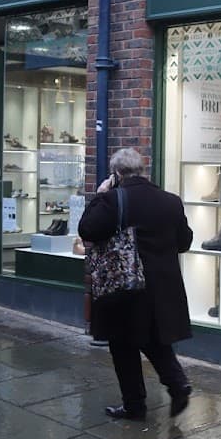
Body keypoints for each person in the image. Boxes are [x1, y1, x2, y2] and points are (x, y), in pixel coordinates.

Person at [78, 147, 194, 420]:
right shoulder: (170, 201)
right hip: (162, 287)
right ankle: (178, 384)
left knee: (123, 345)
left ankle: (135, 404)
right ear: (143, 170)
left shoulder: (113, 200)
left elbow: (87, 229)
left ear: (117, 174)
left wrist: (100, 196)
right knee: (154, 340)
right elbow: (184, 242)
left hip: (126, 287)